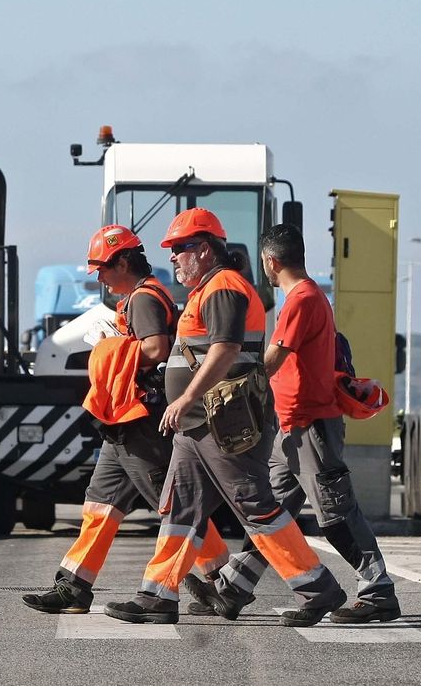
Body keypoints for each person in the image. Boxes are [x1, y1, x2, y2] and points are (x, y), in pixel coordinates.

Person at [104, 208, 347, 628]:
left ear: (203, 249)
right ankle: (158, 595)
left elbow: (226, 349)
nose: (174, 258)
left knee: (256, 506)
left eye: (180, 249)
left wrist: (184, 399)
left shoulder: (224, 287)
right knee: (179, 509)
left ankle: (318, 587)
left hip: (223, 421)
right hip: (198, 424)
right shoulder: (205, 290)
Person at [184, 223, 401, 624]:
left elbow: (272, 359)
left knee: (335, 512)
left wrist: (227, 374)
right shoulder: (307, 296)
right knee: (270, 513)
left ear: (270, 262)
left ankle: (378, 591)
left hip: (310, 425)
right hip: (292, 425)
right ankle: (233, 586)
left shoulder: (302, 299)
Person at [21, 224, 230, 614]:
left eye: (102, 267)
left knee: (172, 507)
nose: (98, 276)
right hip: (125, 422)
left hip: (141, 422)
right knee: (99, 505)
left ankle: (221, 580)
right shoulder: (140, 296)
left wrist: (107, 347)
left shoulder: (145, 298)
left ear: (122, 261)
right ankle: (73, 586)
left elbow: (154, 348)